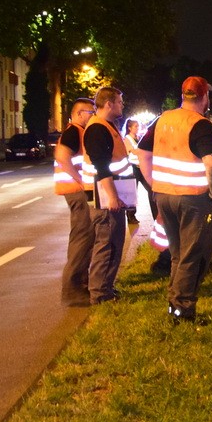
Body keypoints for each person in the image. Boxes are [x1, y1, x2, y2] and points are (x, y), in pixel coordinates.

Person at [137, 76, 212, 323]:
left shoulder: (162, 120)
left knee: (177, 253)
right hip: (193, 199)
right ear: (204, 97)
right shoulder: (201, 124)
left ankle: (174, 302)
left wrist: (155, 184)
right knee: (193, 253)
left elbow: (143, 153)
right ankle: (183, 309)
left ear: (183, 95)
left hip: (164, 197)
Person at [82, 87, 134, 304]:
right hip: (105, 199)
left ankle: (106, 289)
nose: (122, 105)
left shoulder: (107, 126)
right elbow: (102, 167)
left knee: (114, 243)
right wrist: (112, 197)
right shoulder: (97, 129)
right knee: (107, 244)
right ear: (109, 104)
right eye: (120, 102)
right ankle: (100, 293)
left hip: (113, 196)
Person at [53, 97, 96, 307]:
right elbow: (62, 155)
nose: (93, 115)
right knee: (83, 237)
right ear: (79, 114)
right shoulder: (74, 131)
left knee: (82, 237)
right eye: (90, 112)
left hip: (75, 191)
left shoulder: (77, 131)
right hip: (76, 191)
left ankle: (80, 284)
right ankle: (72, 290)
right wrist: (79, 180)